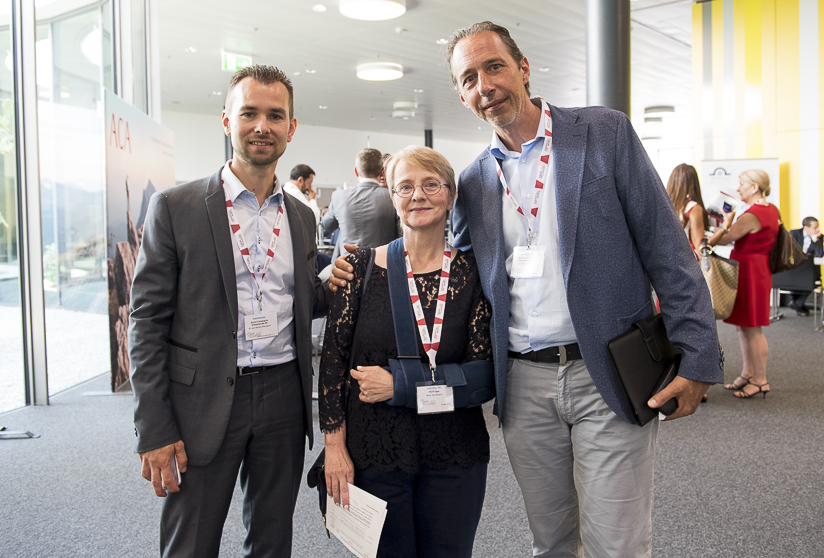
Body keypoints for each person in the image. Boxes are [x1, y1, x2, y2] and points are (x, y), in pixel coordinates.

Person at [331, 21, 722, 558]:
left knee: (616, 544)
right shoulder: (474, 180)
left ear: (523, 69)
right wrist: (360, 270)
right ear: (462, 95)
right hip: (523, 382)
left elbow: (667, 248)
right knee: (551, 542)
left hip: (606, 369)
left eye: (494, 67)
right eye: (469, 78)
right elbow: (453, 273)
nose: (485, 85)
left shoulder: (603, 133)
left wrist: (697, 355)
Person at [129, 65, 331, 557]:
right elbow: (146, 322)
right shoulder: (175, 207)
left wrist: (344, 279)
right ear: (226, 120)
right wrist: (153, 426)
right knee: (191, 543)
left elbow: (299, 297)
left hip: (284, 395)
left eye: (275, 116)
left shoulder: (301, 216)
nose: (262, 126)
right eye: (249, 113)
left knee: (272, 540)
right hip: (202, 400)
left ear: (291, 127)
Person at [320, 146, 492, 558]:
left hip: (454, 451)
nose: (418, 195)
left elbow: (482, 376)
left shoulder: (473, 274)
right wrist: (334, 448)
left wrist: (400, 385)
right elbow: (332, 366)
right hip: (374, 448)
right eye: (405, 186)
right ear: (392, 197)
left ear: (450, 196)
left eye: (431, 184)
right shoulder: (358, 268)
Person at [708, 169, 778, 399]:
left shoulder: (753, 214)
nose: (738, 189)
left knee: (752, 328)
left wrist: (725, 223)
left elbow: (726, 238)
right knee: (744, 325)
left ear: (755, 187)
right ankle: (748, 374)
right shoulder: (770, 209)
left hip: (750, 272)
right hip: (755, 269)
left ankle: (760, 380)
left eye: (742, 184)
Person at [322, 148, 400, 260]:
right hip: (381, 265)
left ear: (356, 171)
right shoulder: (393, 197)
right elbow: (401, 236)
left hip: (346, 265)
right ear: (382, 171)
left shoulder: (339, 196)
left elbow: (327, 225)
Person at [667, 163, 709, 258]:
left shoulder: (666, 206)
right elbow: (699, 246)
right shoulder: (693, 207)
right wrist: (723, 229)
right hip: (688, 259)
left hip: (669, 258)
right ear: (693, 183)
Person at [788, 216, 823, 315]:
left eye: (818, 227)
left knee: (811, 279)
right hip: (794, 269)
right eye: (815, 228)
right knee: (796, 278)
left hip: (809, 270)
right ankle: (798, 304)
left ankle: (796, 303)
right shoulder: (794, 234)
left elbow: (820, 254)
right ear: (806, 228)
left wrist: (815, 241)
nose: (817, 230)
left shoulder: (819, 237)